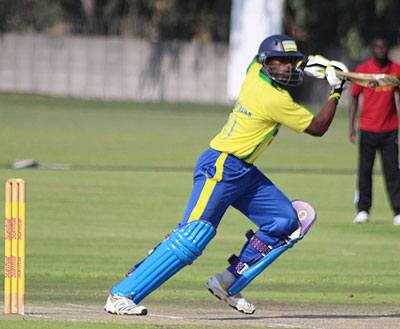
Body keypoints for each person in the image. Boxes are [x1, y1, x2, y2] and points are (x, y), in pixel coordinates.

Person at [104, 34, 348, 316]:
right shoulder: (274, 98)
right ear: (266, 63)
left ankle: (227, 283)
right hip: (220, 166)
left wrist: (306, 64)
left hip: (244, 172)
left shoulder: (253, 72)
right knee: (193, 237)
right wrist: (335, 90)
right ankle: (122, 294)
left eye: (291, 63)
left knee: (285, 221)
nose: (286, 68)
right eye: (280, 62)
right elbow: (318, 127)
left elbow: (264, 63)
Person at [349, 37, 400, 225]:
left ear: (387, 49)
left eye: (383, 46)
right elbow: (354, 97)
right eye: (377, 47)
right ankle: (363, 210)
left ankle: (398, 211)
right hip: (367, 128)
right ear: (372, 50)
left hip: (390, 129)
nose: (380, 50)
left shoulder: (396, 69)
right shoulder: (363, 69)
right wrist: (351, 125)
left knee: (393, 172)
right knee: (364, 171)